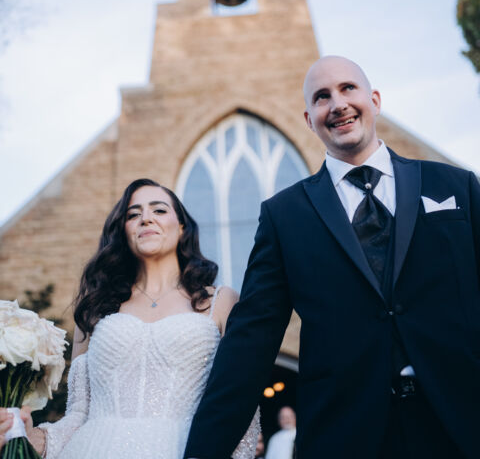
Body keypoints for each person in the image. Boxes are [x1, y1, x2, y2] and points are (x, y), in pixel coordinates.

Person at [184, 56, 480, 458]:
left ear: (375, 100)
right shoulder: (285, 216)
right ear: (310, 120)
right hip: (345, 435)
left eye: (348, 89)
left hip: (461, 422)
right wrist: (203, 451)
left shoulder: (455, 186)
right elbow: (251, 340)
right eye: (322, 97)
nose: (338, 104)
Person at [0, 178, 258, 458]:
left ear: (182, 226)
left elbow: (240, 403)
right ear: (123, 231)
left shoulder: (220, 302)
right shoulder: (96, 308)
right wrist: (23, 435)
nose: (146, 218)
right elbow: (78, 416)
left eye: (159, 210)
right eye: (133, 214)